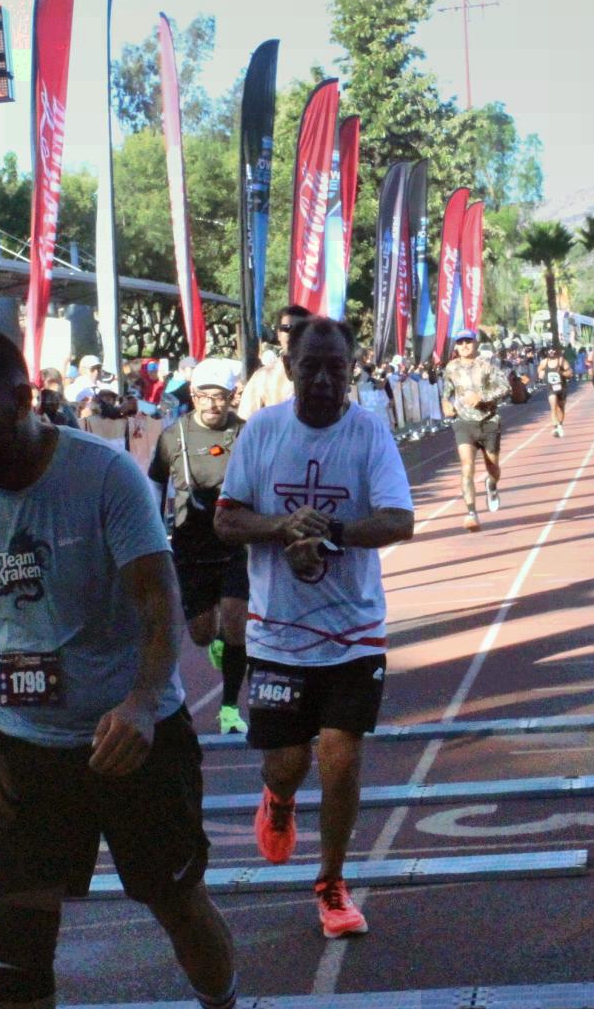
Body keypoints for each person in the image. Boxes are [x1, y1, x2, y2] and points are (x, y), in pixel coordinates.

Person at [0, 331, 240, 1009]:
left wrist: (141, 702)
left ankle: (222, 1001)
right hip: (25, 748)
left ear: (23, 400)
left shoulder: (104, 476)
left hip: (131, 742)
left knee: (177, 905)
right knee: (16, 959)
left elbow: (159, 603)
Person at [213, 317, 416, 938]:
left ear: (352, 368)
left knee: (340, 757)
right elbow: (226, 520)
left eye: (336, 367)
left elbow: (399, 520)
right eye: (311, 367)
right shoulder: (263, 431)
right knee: (287, 763)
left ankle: (331, 882)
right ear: (289, 367)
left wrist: (333, 534)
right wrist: (281, 528)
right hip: (278, 631)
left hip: (353, 629)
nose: (324, 379)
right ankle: (277, 800)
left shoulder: (369, 433)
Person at [150, 359, 251, 734]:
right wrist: (152, 531)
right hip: (191, 550)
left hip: (235, 545)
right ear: (192, 396)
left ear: (232, 396)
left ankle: (229, 709)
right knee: (202, 633)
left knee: (237, 621)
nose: (212, 403)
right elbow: (155, 485)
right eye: (204, 396)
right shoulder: (172, 437)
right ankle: (216, 639)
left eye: (219, 396)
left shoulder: (245, 433)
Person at [441, 329, 510, 532]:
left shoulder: (487, 365)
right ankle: (471, 513)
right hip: (464, 422)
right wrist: (445, 404)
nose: (464, 346)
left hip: (488, 421)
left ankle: (491, 484)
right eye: (460, 342)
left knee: (493, 467)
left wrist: (483, 397)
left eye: (468, 342)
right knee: (467, 467)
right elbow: (446, 392)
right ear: (456, 346)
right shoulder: (451, 368)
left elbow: (506, 387)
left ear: (475, 343)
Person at [237, 304, 311, 420]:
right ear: (278, 334)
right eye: (287, 328)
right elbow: (245, 421)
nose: (293, 334)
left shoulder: (324, 376)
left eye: (300, 329)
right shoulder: (262, 377)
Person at [538, 343, 573, 437]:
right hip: (551, 387)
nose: (551, 352)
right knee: (553, 406)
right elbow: (539, 370)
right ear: (547, 352)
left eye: (553, 350)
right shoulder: (544, 362)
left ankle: (560, 424)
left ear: (556, 351)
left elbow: (570, 373)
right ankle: (555, 426)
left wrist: (561, 372)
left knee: (561, 407)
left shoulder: (561, 361)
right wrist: (541, 374)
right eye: (549, 350)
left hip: (561, 387)